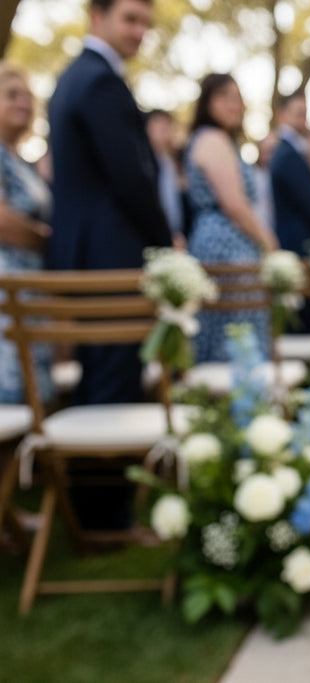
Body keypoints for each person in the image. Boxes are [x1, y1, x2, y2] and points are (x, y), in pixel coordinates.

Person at [47, 0, 172, 532]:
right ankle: (105, 520)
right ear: (96, 17)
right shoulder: (99, 81)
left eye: (145, 22)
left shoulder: (76, 77)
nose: (140, 31)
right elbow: (130, 178)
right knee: (113, 385)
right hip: (109, 257)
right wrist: (165, 244)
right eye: (130, 18)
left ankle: (92, 512)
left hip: (89, 254)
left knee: (103, 378)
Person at [185, 73, 277, 362]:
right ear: (207, 102)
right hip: (225, 249)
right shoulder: (212, 139)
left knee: (240, 334)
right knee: (235, 337)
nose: (234, 104)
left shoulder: (223, 141)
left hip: (231, 246)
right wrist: (269, 243)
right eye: (224, 96)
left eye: (237, 97)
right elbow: (234, 204)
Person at [0, 63, 53, 404]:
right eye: (12, 95)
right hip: (7, 288)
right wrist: (47, 239)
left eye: (28, 97)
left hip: (30, 289)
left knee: (33, 393)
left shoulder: (18, 159)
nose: (23, 103)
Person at [269, 91, 310, 332]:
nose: (303, 120)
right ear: (282, 115)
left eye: (305, 114)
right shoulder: (288, 154)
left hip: (301, 247)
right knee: (303, 323)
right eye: (298, 113)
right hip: (299, 248)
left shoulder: (292, 152)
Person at [145, 108, 187, 248]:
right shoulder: (143, 163)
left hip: (177, 236)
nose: (164, 127)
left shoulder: (176, 163)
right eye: (158, 122)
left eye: (168, 123)